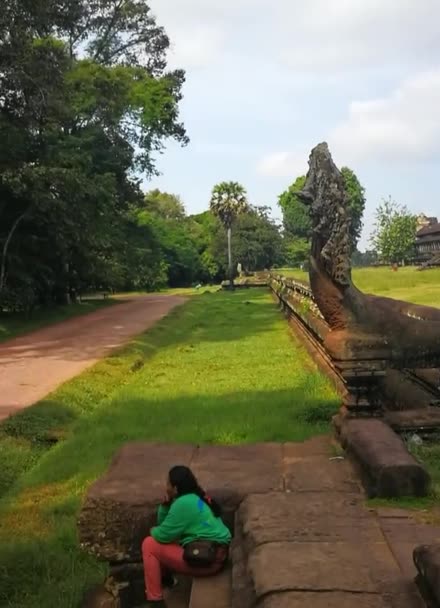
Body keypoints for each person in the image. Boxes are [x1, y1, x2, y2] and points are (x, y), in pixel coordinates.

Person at [141, 465, 231, 606]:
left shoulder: (183, 504)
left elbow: (162, 535)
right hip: (217, 554)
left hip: (208, 560)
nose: (166, 487)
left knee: (149, 544)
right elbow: (167, 527)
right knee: (167, 540)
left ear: (175, 488)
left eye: (168, 483)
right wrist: (165, 505)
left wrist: (152, 530)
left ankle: (155, 601)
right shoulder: (197, 496)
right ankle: (166, 580)